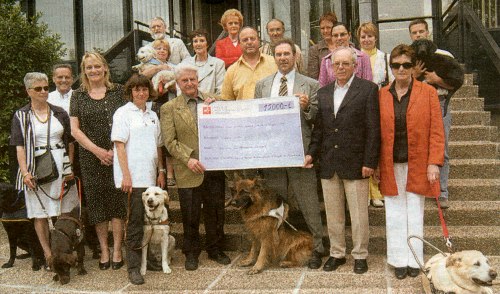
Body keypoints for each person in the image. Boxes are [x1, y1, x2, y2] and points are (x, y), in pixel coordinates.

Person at [304, 47, 380, 274]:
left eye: (345, 64)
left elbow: (373, 129)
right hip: (329, 162)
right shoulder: (324, 92)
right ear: (330, 66)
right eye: (336, 64)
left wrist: (370, 161)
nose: (340, 67)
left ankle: (360, 255)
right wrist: (311, 154)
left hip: (357, 162)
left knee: (358, 215)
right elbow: (319, 130)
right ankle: (337, 253)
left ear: (355, 66)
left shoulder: (368, 90)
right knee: (334, 214)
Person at [254, 38, 325, 269]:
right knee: (276, 204)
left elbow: (318, 119)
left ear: (295, 57)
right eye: (279, 54)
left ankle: (318, 248)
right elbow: (256, 119)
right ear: (274, 57)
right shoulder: (263, 85)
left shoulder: (310, 84)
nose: (283, 58)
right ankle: (279, 248)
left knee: (308, 202)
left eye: (287, 54)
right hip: (273, 155)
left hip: (300, 154)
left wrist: (306, 108)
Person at [376, 44, 444, 279]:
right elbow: (376, 132)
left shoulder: (428, 93)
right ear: (391, 67)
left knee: (415, 211)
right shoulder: (381, 94)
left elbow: (437, 130)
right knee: (394, 212)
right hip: (390, 163)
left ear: (414, 67)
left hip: (418, 162)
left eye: (406, 64)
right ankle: (398, 260)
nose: (401, 69)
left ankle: (415, 260)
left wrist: (434, 162)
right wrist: (375, 164)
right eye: (396, 65)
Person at [160, 64, 230, 271]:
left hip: (214, 167)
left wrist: (217, 108)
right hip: (188, 168)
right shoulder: (169, 108)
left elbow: (230, 121)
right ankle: (191, 252)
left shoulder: (214, 99)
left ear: (198, 79)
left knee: (216, 210)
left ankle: (215, 248)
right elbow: (169, 141)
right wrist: (188, 159)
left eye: (192, 79)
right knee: (190, 214)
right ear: (178, 84)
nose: (189, 83)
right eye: (184, 80)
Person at [10, 72, 79, 269]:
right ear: (28, 91)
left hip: (60, 163)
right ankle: (49, 255)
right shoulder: (21, 115)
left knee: (65, 211)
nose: (43, 92)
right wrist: (25, 172)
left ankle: (65, 251)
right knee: (40, 213)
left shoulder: (59, 112)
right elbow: (19, 146)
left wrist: (69, 168)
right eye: (38, 88)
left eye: (46, 88)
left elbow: (71, 142)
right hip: (36, 167)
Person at [70, 52, 126, 271]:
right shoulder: (78, 95)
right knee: (97, 205)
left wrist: (112, 151)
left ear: (105, 68)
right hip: (90, 157)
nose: (93, 71)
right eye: (88, 67)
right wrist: (98, 152)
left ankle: (118, 249)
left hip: (116, 154)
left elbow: (127, 120)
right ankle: (104, 249)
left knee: (117, 203)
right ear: (84, 71)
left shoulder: (119, 91)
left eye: (97, 66)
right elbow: (75, 129)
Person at [111, 74, 165, 285]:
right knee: (134, 224)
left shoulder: (152, 114)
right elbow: (119, 145)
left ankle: (147, 259)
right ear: (130, 92)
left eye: (144, 89)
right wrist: (126, 175)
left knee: (149, 222)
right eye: (136, 90)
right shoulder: (123, 113)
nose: (141, 93)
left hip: (150, 179)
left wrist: (161, 171)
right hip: (131, 180)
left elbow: (159, 145)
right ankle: (133, 268)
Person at [409, 18, 463, 209]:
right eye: (414, 33)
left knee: (441, 149)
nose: (418, 35)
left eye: (421, 31)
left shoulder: (444, 55)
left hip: (440, 103)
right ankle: (422, 188)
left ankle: (442, 192)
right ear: (411, 35)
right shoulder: (407, 57)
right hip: (416, 106)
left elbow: (455, 82)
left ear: (428, 33)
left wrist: (436, 79)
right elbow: (399, 86)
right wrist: (414, 76)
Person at [356, 22, 394, 208]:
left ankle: (378, 191)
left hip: (380, 105)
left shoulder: (385, 58)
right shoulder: (354, 57)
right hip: (360, 107)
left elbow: (391, 85)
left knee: (379, 149)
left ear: (375, 37)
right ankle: (368, 192)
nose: (366, 39)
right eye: (363, 36)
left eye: (370, 36)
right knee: (365, 148)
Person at [139, 38, 177, 186]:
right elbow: (142, 78)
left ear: (168, 53)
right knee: (154, 140)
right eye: (158, 49)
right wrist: (160, 68)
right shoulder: (146, 66)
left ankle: (171, 174)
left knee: (168, 138)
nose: (162, 51)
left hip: (168, 105)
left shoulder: (174, 66)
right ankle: (156, 171)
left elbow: (176, 83)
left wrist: (167, 87)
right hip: (152, 106)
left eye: (165, 49)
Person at [221, 27, 277, 100]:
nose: (249, 42)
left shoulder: (274, 63)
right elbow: (226, 101)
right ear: (239, 44)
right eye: (245, 40)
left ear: (259, 41)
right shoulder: (231, 71)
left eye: (252, 39)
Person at [318, 22, 372, 87]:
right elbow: (322, 88)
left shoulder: (363, 57)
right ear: (331, 38)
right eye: (335, 35)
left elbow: (368, 86)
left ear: (349, 35)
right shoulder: (326, 60)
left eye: (342, 34)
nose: (339, 38)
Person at [182, 29, 226, 95]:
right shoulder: (185, 63)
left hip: (211, 103)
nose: (198, 44)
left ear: (207, 44)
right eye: (195, 41)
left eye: (202, 41)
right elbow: (181, 87)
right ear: (193, 45)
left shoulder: (218, 64)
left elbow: (221, 90)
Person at [307, 12, 338, 80]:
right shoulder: (315, 50)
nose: (325, 31)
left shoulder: (347, 46)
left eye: (328, 27)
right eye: (322, 28)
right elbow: (313, 78)